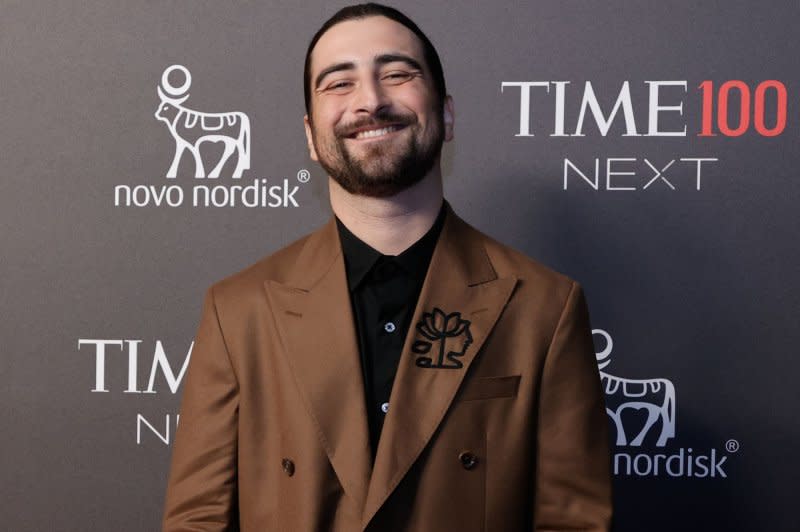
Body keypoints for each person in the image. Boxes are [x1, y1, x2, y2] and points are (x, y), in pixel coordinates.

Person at [162, 3, 612, 531]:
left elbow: (574, 522)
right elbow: (198, 521)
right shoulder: (238, 311)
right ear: (310, 136)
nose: (371, 101)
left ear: (445, 114)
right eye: (338, 83)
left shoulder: (545, 307)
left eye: (396, 74)